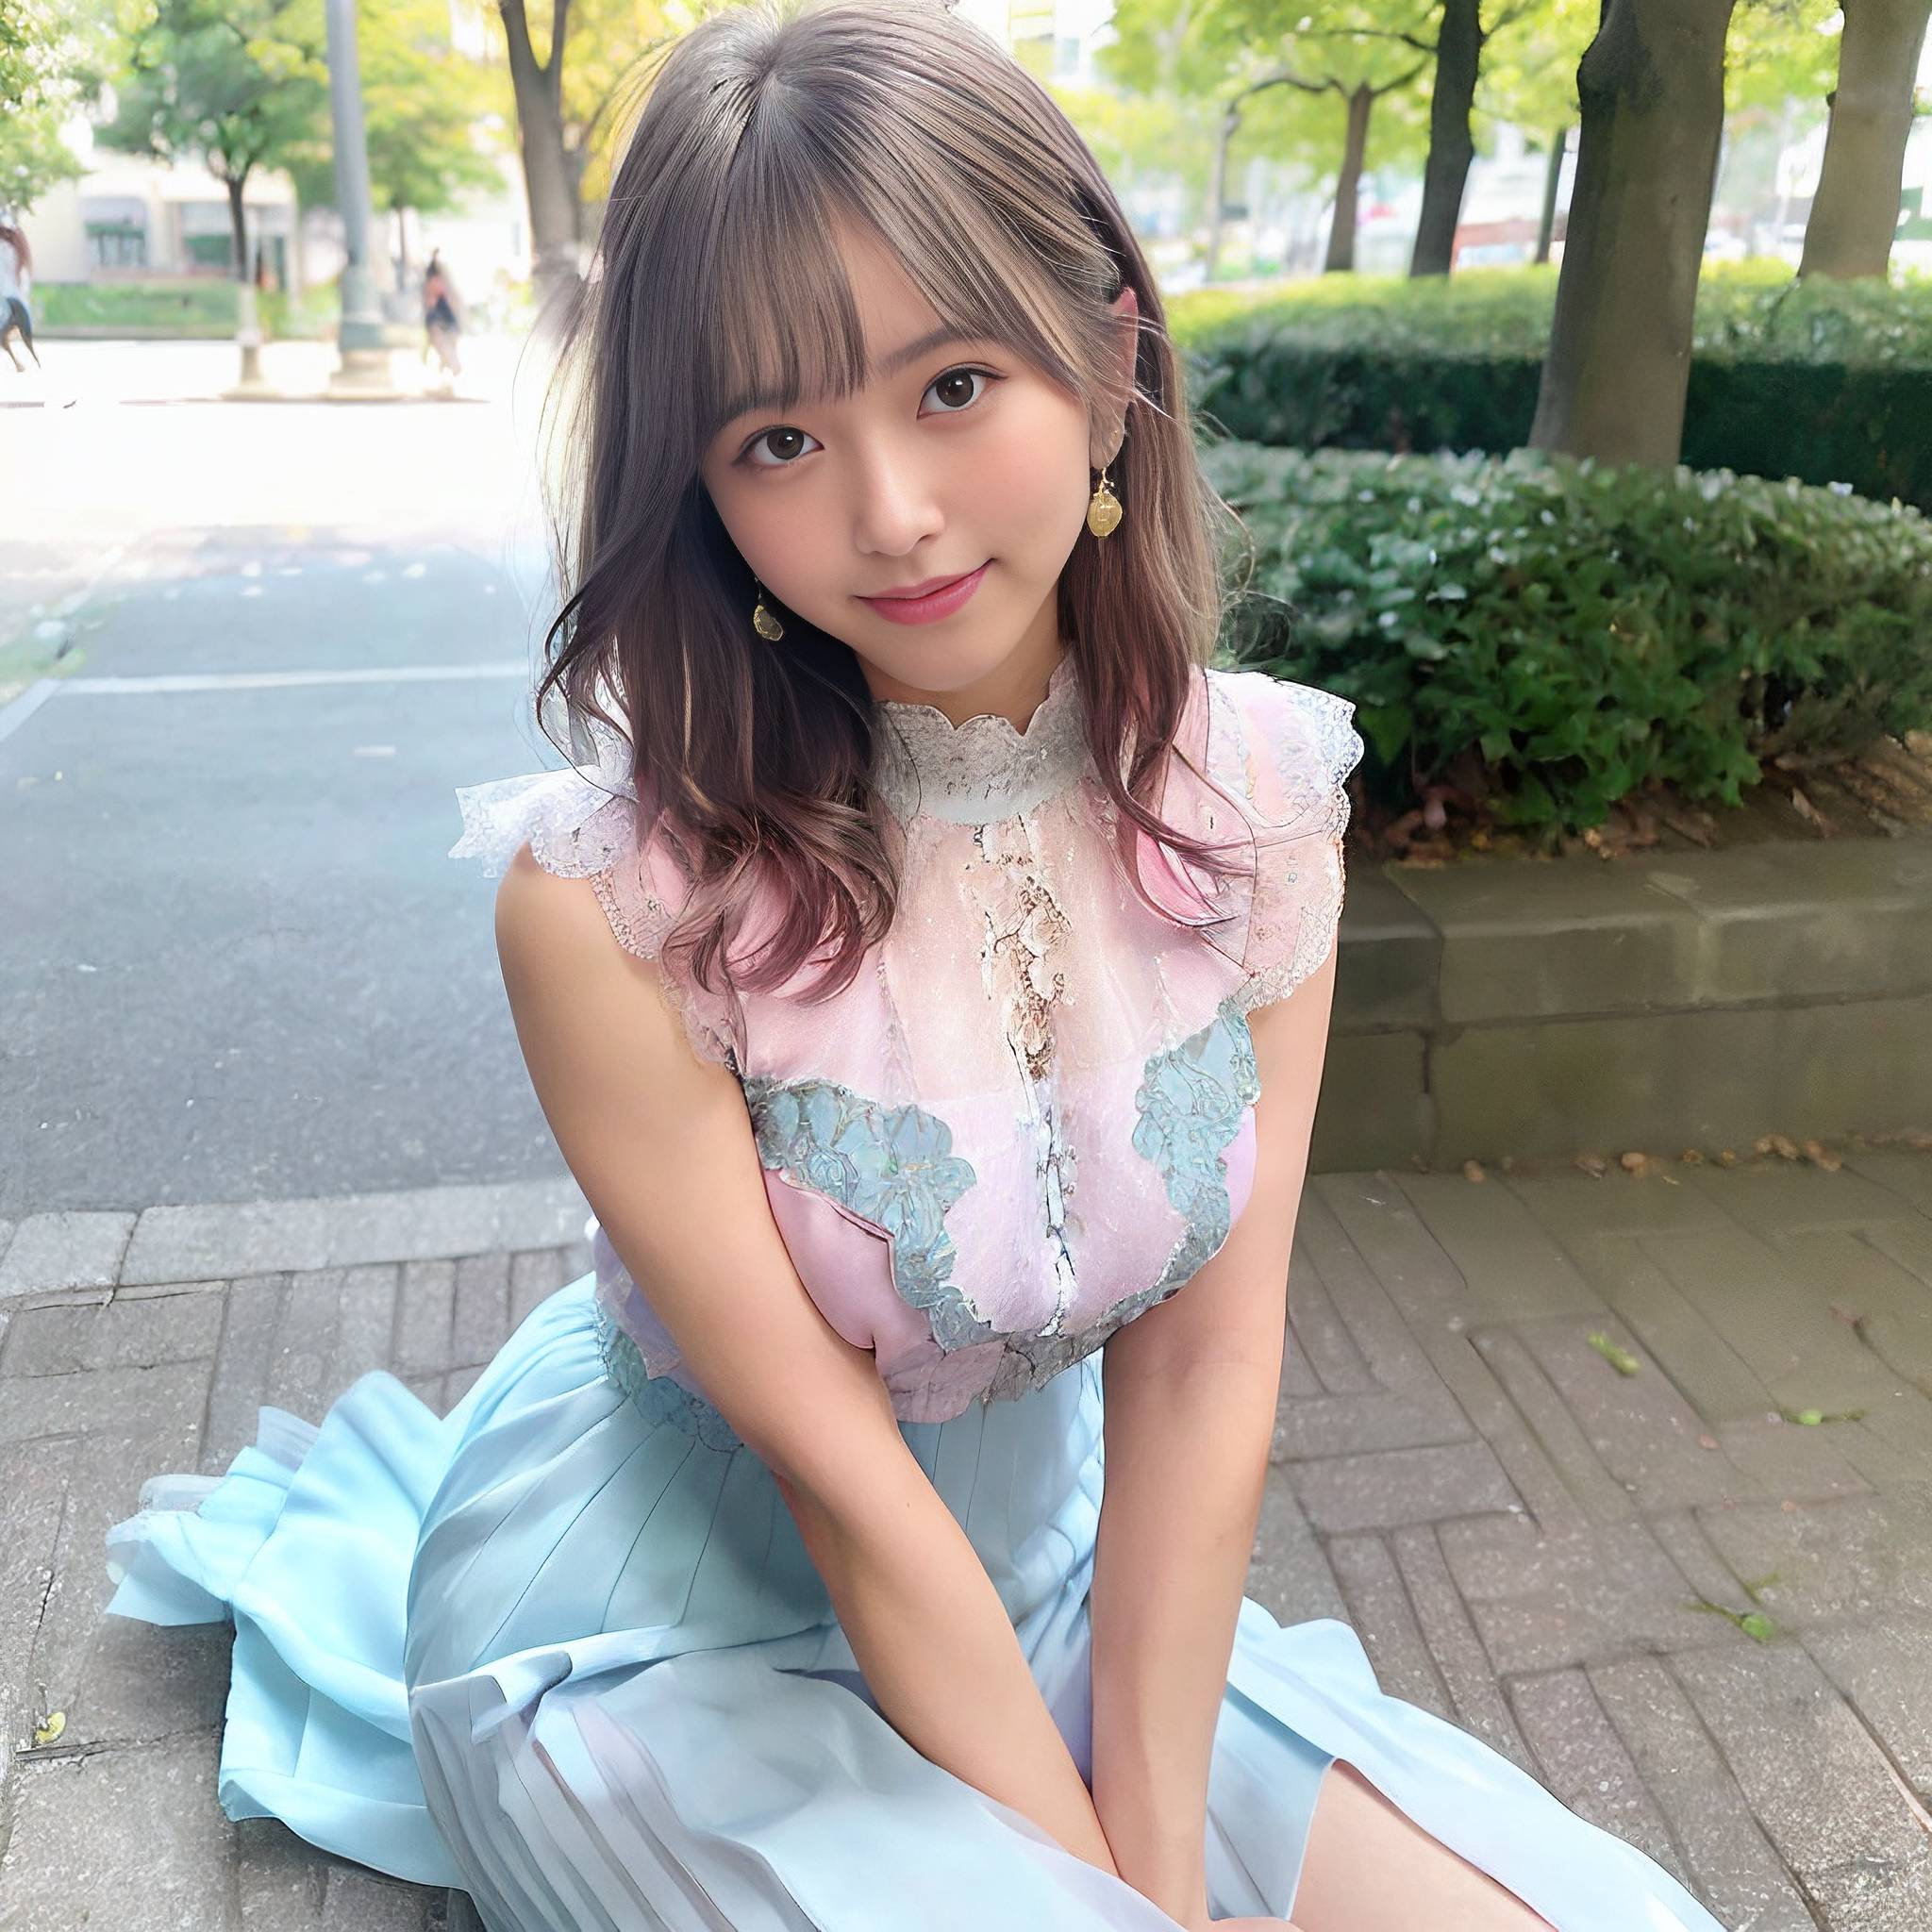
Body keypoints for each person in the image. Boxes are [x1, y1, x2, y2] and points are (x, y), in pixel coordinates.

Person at [98, 4, 1729, 1928]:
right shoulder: (612, 900)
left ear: (1107, 350)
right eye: (780, 436)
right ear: (703, 489)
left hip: (1040, 1584)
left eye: (953, 383)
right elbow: (840, 1481)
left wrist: (1165, 1877)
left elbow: (1205, 1372)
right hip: (655, 1638)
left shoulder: (1262, 801)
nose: (887, 512)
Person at [0, 219, 39, 372]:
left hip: (7, 298)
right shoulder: (12, 250)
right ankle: (23, 362)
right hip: (12, 297)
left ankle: (24, 362)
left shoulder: (7, 250)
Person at [423, 247, 463, 386]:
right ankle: (448, 372)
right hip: (441, 317)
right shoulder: (437, 281)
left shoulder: (437, 281)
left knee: (445, 346)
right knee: (444, 346)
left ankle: (447, 373)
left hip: (443, 317)